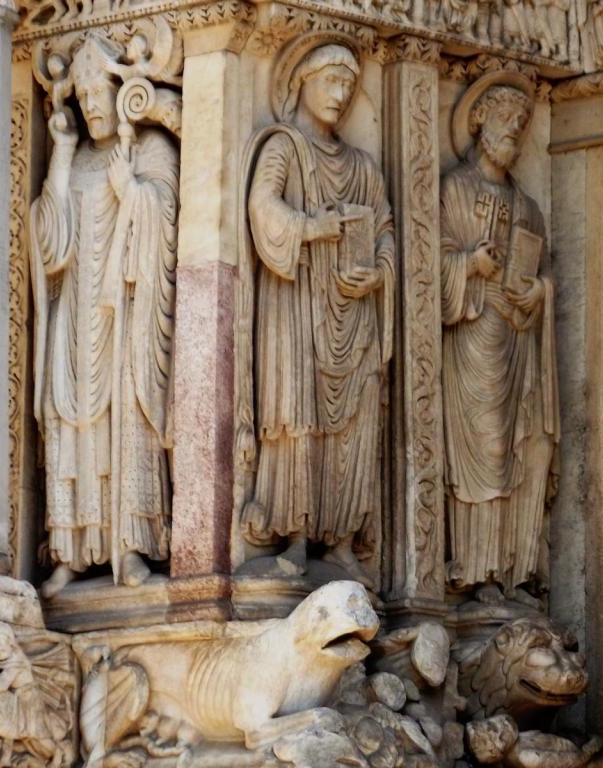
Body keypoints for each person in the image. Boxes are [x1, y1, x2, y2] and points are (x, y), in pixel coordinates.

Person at [240, 39, 395, 587]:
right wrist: (311, 229)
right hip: (296, 306)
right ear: (301, 81)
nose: (340, 95)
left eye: (349, 87)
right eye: (330, 81)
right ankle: (297, 533)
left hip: (352, 312)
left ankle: (345, 538)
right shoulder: (283, 148)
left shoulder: (363, 166)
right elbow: (263, 207)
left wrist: (378, 271)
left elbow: (385, 231)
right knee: (298, 414)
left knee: (354, 423)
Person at [31, 35, 179, 596]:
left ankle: (129, 546)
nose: (92, 104)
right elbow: (50, 245)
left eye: (101, 91)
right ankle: (70, 550)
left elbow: (167, 221)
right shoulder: (72, 159)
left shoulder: (150, 150)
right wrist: (63, 157)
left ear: (124, 91)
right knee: (72, 425)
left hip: (127, 314)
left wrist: (133, 191)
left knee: (126, 421)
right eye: (84, 94)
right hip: (75, 312)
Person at [441, 71, 559, 605]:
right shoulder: (455, 189)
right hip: (472, 338)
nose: (515, 130)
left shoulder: (528, 206)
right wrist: (470, 264)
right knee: (484, 448)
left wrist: (539, 291)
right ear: (480, 121)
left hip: (517, 340)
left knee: (520, 450)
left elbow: (545, 270)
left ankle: (511, 571)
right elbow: (432, 263)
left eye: (522, 124)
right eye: (506, 120)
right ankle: (476, 572)